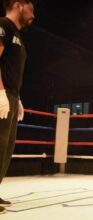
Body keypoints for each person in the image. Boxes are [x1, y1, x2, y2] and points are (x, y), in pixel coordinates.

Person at [0, 0, 35, 214]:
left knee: (6, 149)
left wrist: (16, 98)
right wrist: (1, 92)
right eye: (31, 8)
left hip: (11, 96)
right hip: (1, 94)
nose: (34, 14)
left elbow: (11, 70)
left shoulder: (17, 35)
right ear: (18, 4)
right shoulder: (3, 24)